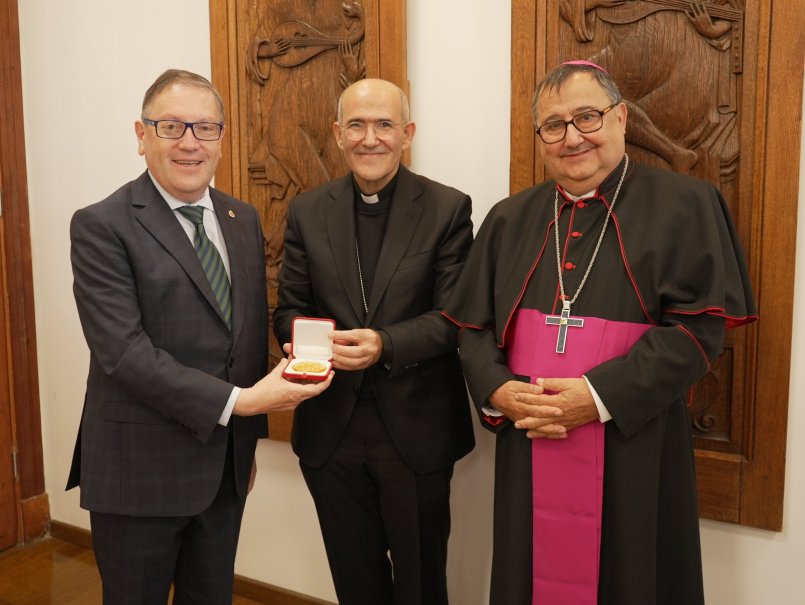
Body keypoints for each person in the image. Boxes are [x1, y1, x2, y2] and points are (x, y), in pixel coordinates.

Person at [442, 61, 757, 605]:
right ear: (540, 137)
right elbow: (473, 331)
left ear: (621, 118)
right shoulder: (509, 218)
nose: (572, 137)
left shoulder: (685, 204)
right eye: (553, 125)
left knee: (633, 575)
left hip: (634, 441)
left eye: (586, 117)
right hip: (533, 432)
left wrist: (595, 397)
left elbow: (696, 333)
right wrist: (498, 390)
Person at [67, 69, 332, 604]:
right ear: (141, 137)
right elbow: (123, 353)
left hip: (222, 471)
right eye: (171, 126)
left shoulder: (241, 218)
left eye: (206, 128)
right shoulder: (102, 225)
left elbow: (246, 334)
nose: (190, 142)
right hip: (137, 473)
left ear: (222, 139)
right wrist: (244, 403)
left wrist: (245, 441)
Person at [273, 78, 475, 605]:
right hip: (330, 427)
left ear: (406, 134)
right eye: (357, 125)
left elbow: (456, 316)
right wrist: (302, 344)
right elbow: (289, 309)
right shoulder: (307, 211)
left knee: (421, 583)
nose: (370, 138)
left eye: (384, 124)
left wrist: (384, 344)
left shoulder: (447, 208)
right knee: (354, 580)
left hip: (414, 429)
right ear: (338, 134)